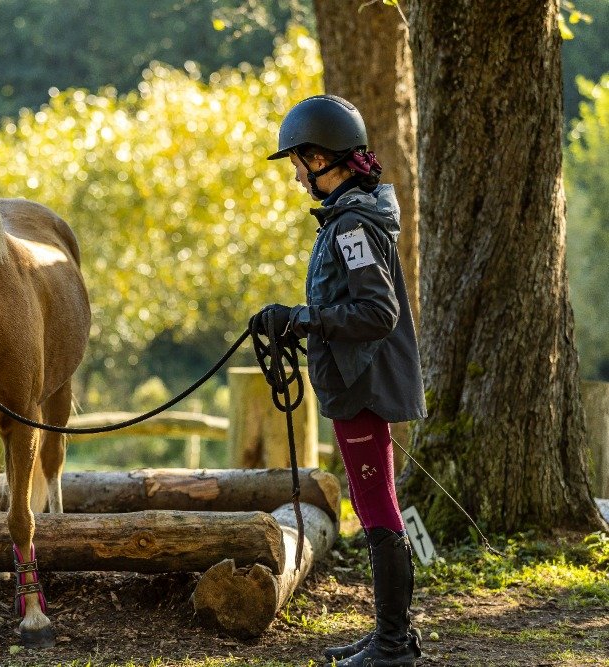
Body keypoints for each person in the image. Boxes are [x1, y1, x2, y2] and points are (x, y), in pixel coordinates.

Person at [254, 94, 426, 667]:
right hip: (358, 382)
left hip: (363, 386)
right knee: (377, 505)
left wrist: (301, 319)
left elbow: (377, 313)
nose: (299, 175)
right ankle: (391, 635)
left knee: (377, 508)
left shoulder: (351, 225)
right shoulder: (350, 216)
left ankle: (393, 645)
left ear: (323, 158)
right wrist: (296, 321)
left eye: (301, 163)